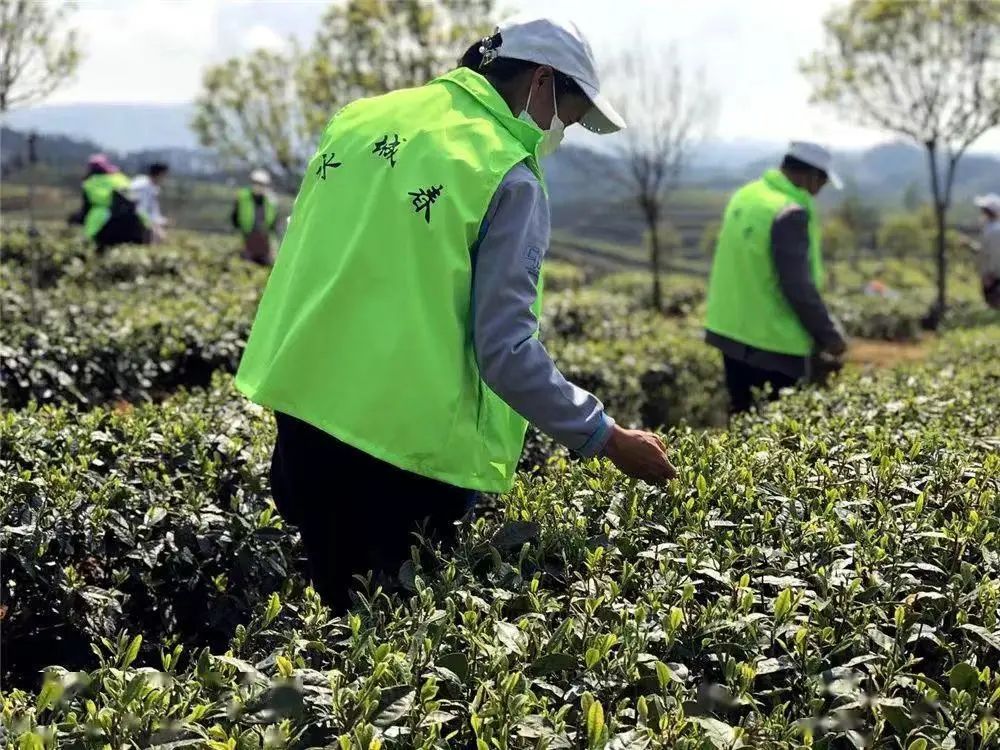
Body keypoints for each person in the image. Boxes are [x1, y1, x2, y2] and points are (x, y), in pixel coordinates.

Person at [235, 13, 677, 610]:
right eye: (567, 117)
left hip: (304, 417)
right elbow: (505, 352)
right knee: (387, 658)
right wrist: (606, 437)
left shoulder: (359, 118)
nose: (561, 135)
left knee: (330, 628)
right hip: (401, 454)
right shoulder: (505, 173)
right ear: (541, 82)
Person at [705, 141, 848, 414]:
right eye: (823, 182)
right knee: (779, 436)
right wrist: (830, 336)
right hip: (774, 343)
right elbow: (798, 288)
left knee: (742, 420)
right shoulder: (789, 213)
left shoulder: (746, 196)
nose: (821, 191)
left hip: (731, 332)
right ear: (810, 176)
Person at [68, 154, 147, 252]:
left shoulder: (89, 183)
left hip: (104, 220)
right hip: (133, 221)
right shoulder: (120, 178)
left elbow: (86, 208)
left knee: (89, 239)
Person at [231, 169, 278, 265]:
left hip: (264, 243)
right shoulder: (242, 198)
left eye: (261, 184)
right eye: (256, 183)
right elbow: (235, 219)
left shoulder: (271, 202)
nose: (258, 186)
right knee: (246, 265)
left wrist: (273, 246)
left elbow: (273, 225)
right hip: (247, 240)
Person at [131, 162, 170, 243]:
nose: (165, 179)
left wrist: (160, 220)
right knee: (159, 236)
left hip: (139, 220)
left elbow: (153, 210)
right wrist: (157, 223)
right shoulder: (143, 187)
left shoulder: (149, 186)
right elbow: (140, 210)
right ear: (160, 174)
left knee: (161, 234)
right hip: (133, 221)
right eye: (165, 175)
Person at [974, 193, 1000, 309]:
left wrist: (990, 274)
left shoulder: (995, 231)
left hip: (994, 279)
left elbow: (995, 255)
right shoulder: (991, 229)